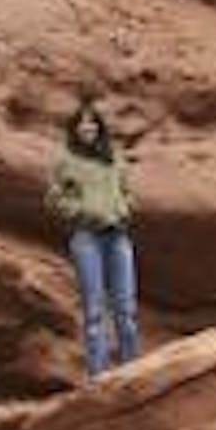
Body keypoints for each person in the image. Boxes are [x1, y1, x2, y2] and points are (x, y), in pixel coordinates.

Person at [44, 94, 138, 377]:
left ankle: (132, 370)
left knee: (126, 309)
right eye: (82, 124)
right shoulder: (66, 160)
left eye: (92, 123)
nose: (88, 129)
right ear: (74, 129)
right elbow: (53, 199)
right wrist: (83, 211)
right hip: (87, 238)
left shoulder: (114, 158)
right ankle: (98, 377)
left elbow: (128, 193)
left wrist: (124, 210)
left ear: (99, 127)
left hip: (118, 236)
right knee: (94, 311)